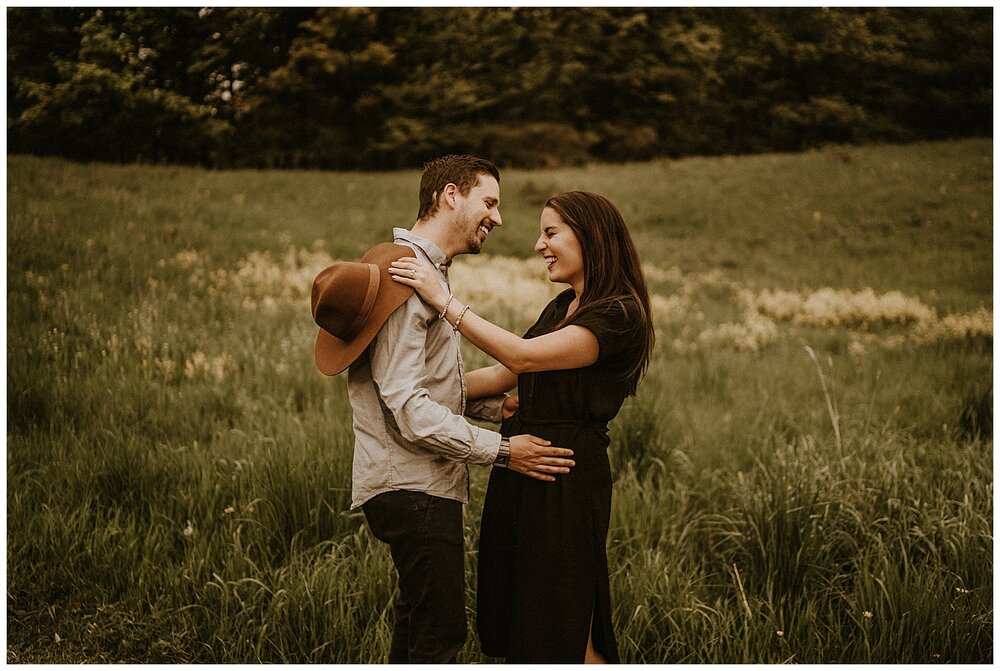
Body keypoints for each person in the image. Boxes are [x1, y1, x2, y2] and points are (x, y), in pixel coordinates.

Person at [309, 154, 576, 664]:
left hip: (412, 481)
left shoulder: (425, 273)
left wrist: (495, 408)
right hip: (414, 484)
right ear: (450, 195)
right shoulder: (407, 278)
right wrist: (503, 451)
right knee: (440, 634)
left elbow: (422, 386)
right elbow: (409, 408)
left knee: (419, 626)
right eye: (489, 202)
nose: (497, 218)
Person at [388, 190, 654, 664]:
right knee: (514, 609)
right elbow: (501, 378)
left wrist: (443, 300)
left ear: (590, 236)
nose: (538, 245)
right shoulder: (561, 307)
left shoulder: (619, 314)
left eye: (551, 233)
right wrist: (405, 389)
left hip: (563, 476)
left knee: (568, 616)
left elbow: (521, 355)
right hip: (519, 469)